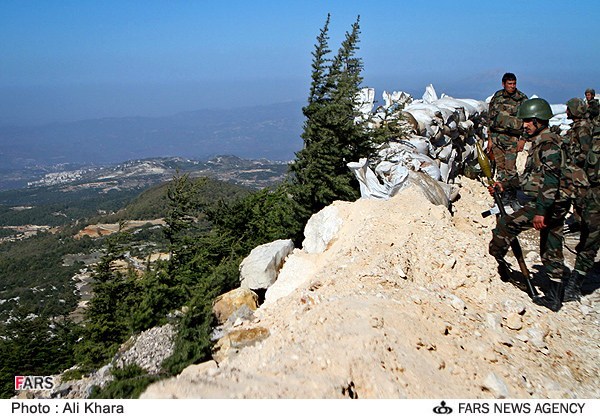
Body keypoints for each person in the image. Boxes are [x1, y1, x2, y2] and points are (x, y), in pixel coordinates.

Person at [488, 98, 571, 312]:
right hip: (555, 202)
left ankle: (495, 261)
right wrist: (504, 184)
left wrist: (541, 212)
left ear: (539, 121)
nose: (524, 125)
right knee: (552, 247)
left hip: (548, 203)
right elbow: (530, 178)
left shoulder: (548, 145)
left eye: (528, 121)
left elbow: (551, 181)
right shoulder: (543, 142)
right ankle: (554, 298)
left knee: (506, 225)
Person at [564, 102, 600, 302]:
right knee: (590, 239)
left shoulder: (586, 131)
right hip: (595, 196)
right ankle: (575, 284)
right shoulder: (591, 136)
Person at [487, 73, 528, 199]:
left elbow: (528, 122)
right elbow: (490, 117)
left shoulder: (521, 99)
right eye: (509, 84)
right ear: (503, 84)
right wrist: (489, 138)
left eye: (514, 83)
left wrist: (523, 140)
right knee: (500, 168)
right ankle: (502, 193)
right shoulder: (497, 96)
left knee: (510, 168)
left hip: (512, 139)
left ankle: (512, 194)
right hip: (497, 137)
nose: (512, 86)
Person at [564, 98, 594, 231]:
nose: (566, 111)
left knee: (582, 200)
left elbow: (586, 151)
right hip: (576, 171)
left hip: (581, 171)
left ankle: (585, 227)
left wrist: (573, 162)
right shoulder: (577, 126)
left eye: (569, 109)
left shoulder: (582, 128)